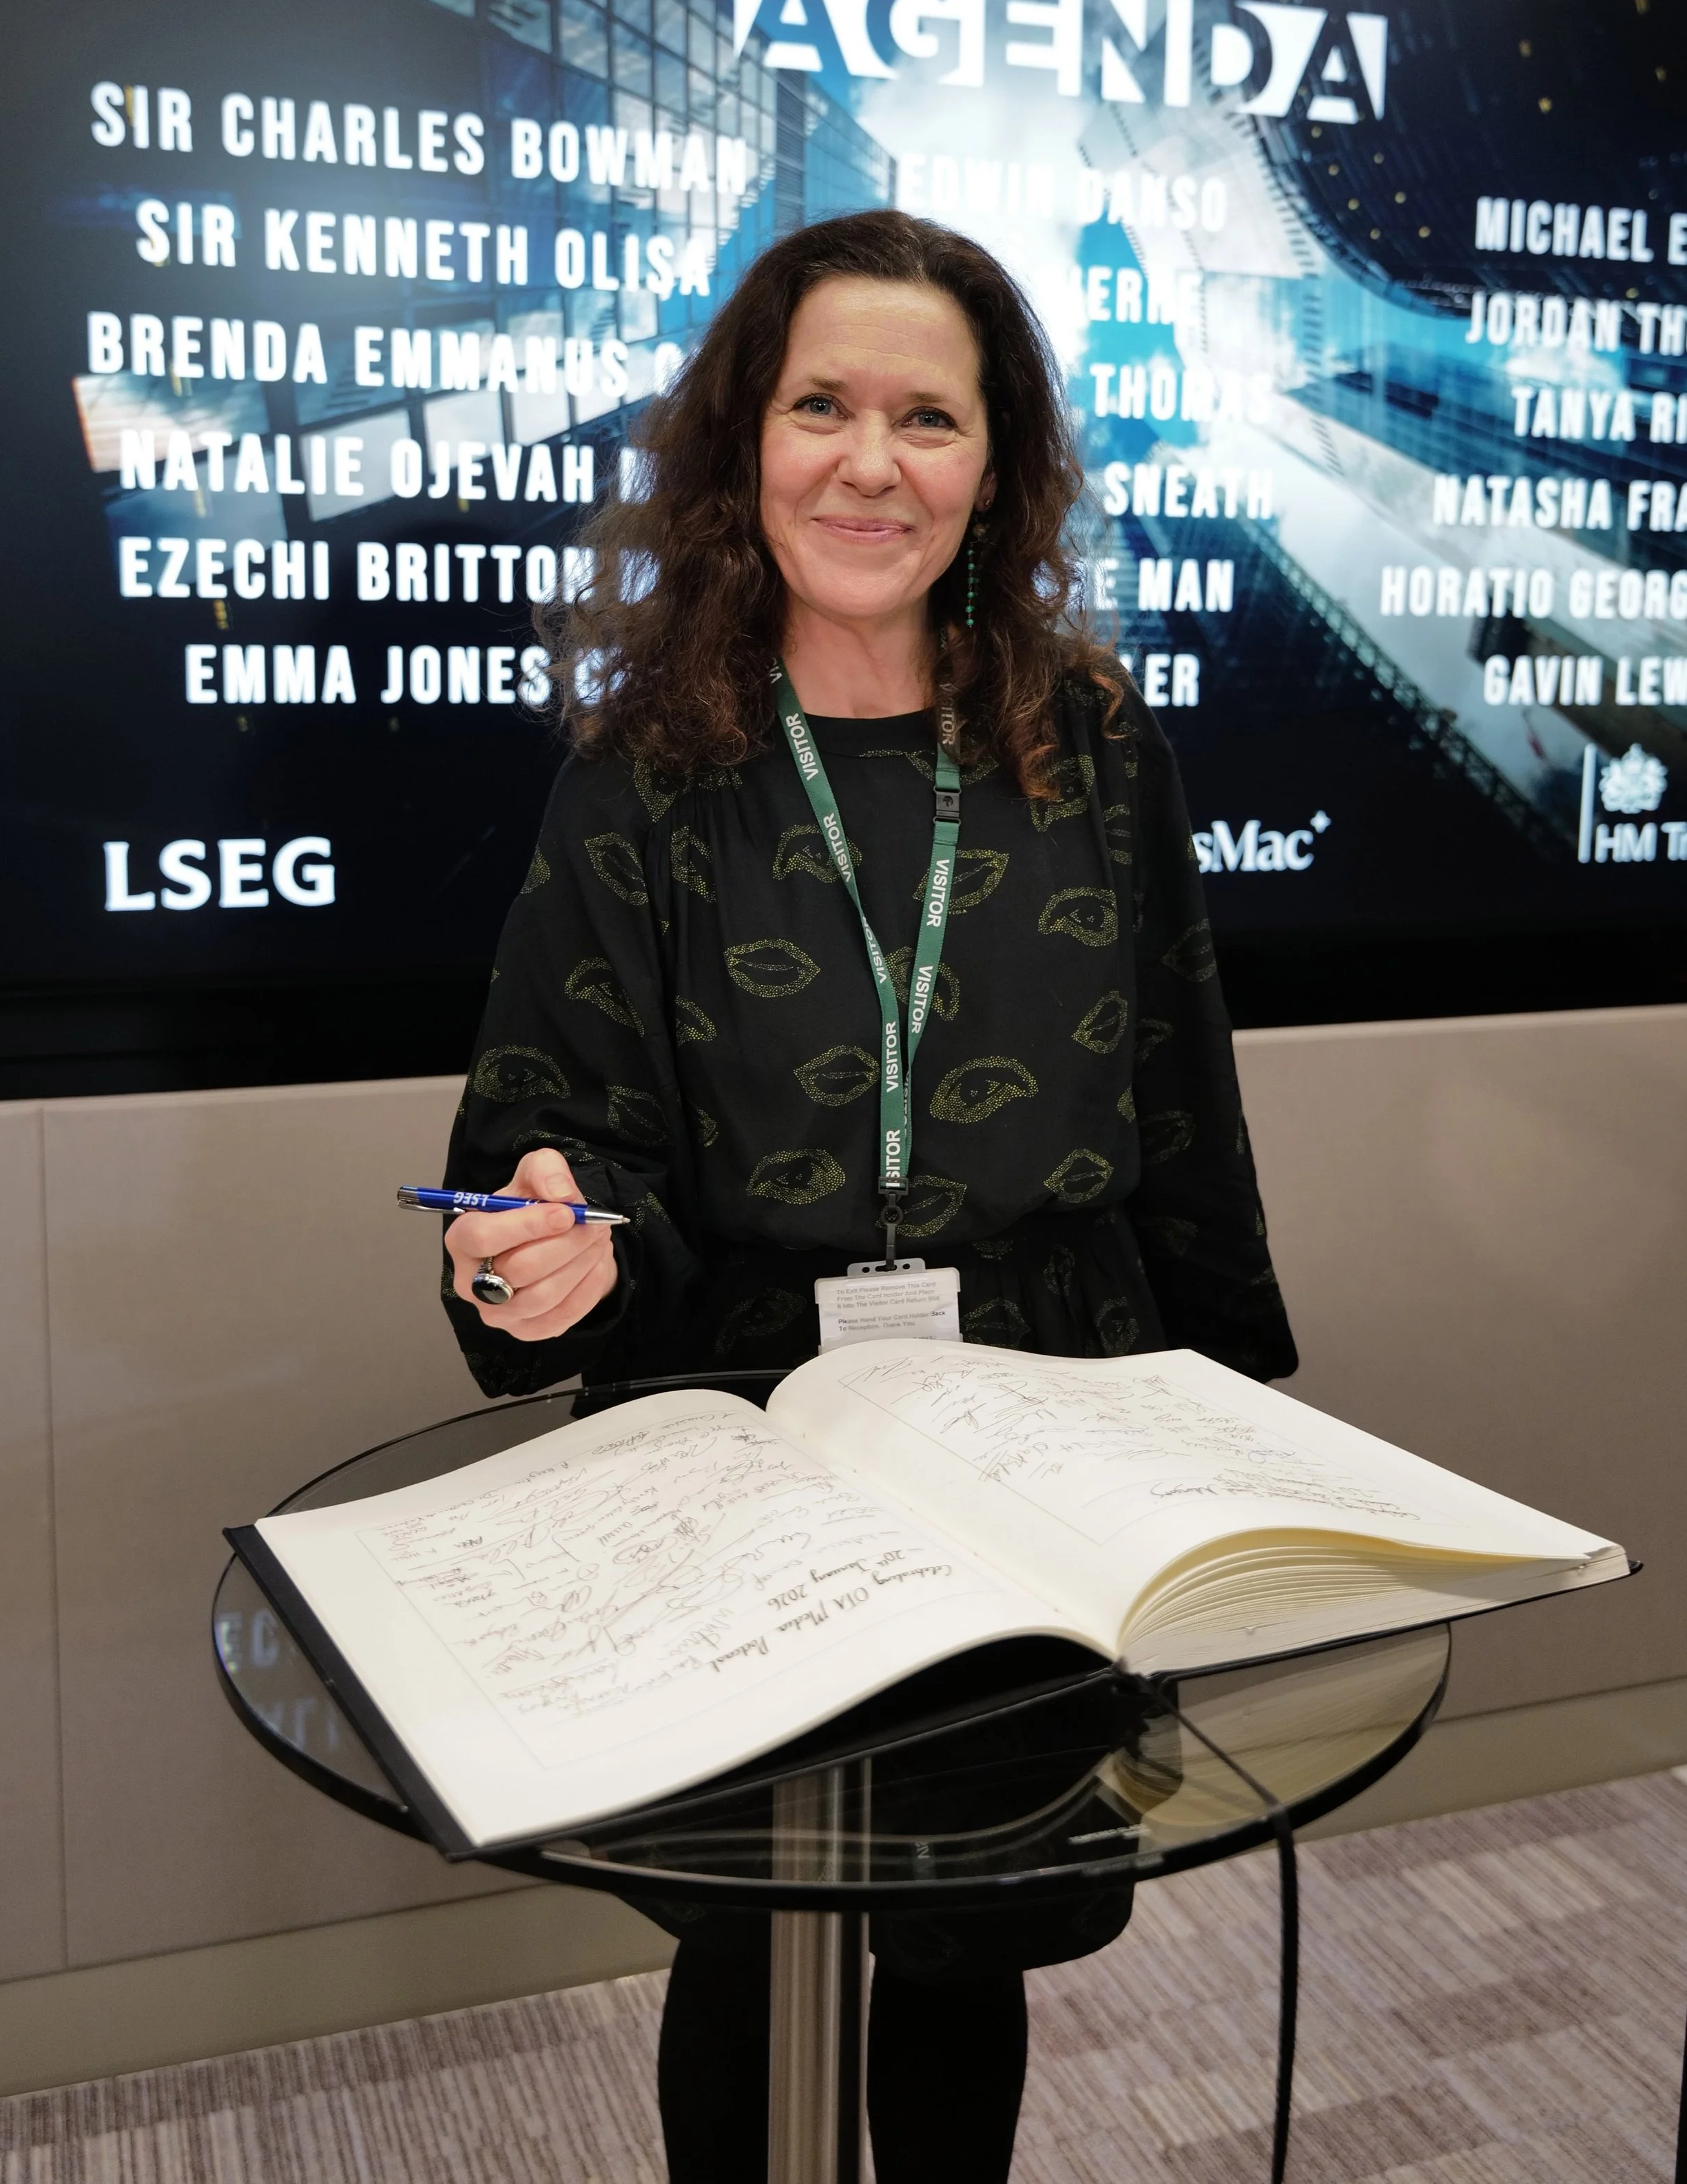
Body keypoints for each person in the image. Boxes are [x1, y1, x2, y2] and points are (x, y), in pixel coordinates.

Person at [439, 208, 1295, 2183]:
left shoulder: (1092, 742)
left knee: (961, 1937)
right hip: (745, 1431)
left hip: (1041, 1417)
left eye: (928, 415)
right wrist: (547, 1239)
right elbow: (554, 1125)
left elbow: (1180, 1094)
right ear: (747, 438)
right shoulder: (649, 765)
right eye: (821, 402)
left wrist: (1233, 1422)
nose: (869, 460)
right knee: (755, 1938)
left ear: (994, 465)